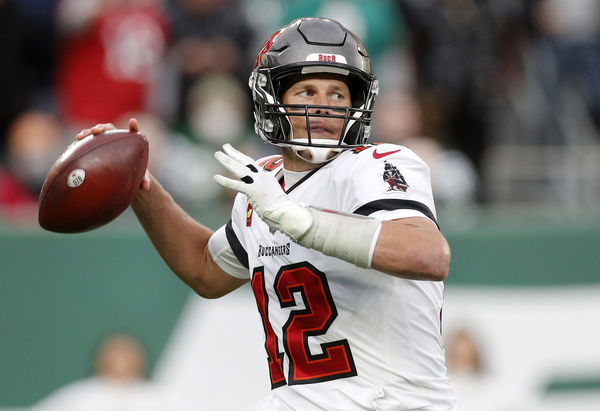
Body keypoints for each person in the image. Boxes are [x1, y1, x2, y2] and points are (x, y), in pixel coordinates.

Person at [76, 17, 456, 410]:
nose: (323, 106)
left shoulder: (375, 165)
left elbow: (426, 254)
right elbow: (205, 269)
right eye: (307, 91)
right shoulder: (265, 184)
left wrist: (296, 219)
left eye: (338, 94)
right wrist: (142, 185)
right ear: (272, 98)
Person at [31, 333, 186, 411]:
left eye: (127, 352)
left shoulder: (162, 397)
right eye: (115, 352)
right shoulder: (77, 395)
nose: (121, 359)